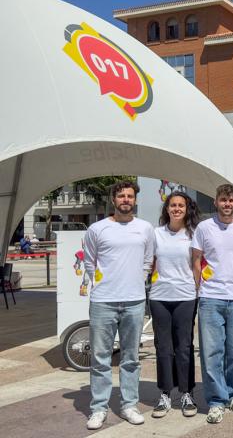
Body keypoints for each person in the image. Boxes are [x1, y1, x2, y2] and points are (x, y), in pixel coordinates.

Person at [83, 180, 155, 430]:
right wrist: (104, 285)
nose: (126, 200)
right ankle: (99, 408)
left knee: (130, 357)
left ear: (135, 200)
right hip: (103, 302)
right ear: (113, 200)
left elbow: (148, 261)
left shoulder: (145, 228)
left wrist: (137, 280)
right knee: (101, 358)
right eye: (121, 196)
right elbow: (90, 263)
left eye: (130, 196)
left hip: (134, 301)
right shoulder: (97, 229)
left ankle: (128, 405)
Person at [191, 184, 233, 424]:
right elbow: (196, 259)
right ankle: (217, 400)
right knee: (211, 352)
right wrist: (199, 288)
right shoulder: (204, 227)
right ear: (215, 202)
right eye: (223, 200)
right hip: (210, 297)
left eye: (230, 200)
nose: (227, 204)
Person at [150, 191, 200, 418]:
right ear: (167, 209)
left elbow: (198, 265)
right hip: (160, 296)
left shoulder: (194, 234)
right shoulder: (156, 234)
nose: (177, 209)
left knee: (184, 347)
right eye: (173, 205)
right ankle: (165, 393)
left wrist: (197, 290)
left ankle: (187, 392)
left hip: (186, 297)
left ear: (187, 209)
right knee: (163, 348)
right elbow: (149, 262)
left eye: (181, 205)